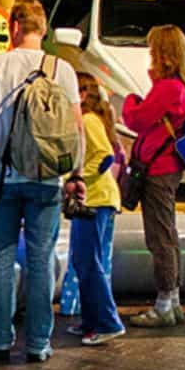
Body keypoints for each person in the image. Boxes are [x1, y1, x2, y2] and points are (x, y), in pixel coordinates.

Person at [0, 0, 84, 363]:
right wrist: (76, 174)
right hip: (46, 180)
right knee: (41, 263)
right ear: (43, 30)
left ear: (14, 27)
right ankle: (39, 344)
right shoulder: (63, 70)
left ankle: (1, 340)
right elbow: (76, 129)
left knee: (2, 262)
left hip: (2, 180)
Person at [123, 25, 185, 327]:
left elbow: (136, 120)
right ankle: (172, 300)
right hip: (167, 168)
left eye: (153, 49)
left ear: (162, 53)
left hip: (158, 170)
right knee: (168, 234)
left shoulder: (167, 89)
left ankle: (164, 303)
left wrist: (129, 100)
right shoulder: (179, 86)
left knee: (159, 237)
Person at [65, 73, 125, 345]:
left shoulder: (88, 121)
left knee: (89, 261)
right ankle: (91, 320)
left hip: (96, 200)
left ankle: (107, 322)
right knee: (84, 260)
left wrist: (76, 179)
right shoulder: (90, 120)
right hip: (95, 199)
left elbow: (104, 156)